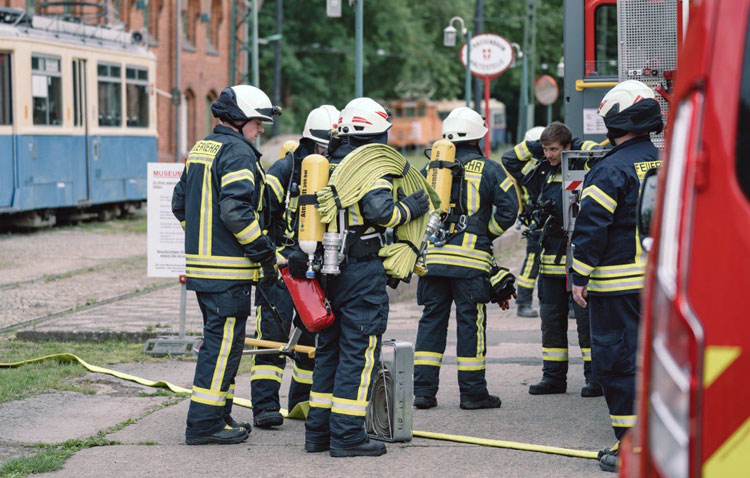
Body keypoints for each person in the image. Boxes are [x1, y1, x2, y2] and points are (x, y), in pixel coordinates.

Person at [301, 97, 430, 457]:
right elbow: (381, 212)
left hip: (330, 271)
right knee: (358, 355)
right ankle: (347, 437)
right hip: (359, 272)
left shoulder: (328, 163)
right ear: (376, 135)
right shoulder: (372, 168)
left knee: (329, 352)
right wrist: (413, 208)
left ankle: (318, 433)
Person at [172, 85, 280, 445]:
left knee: (220, 346)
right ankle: (204, 425)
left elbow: (179, 205)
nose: (261, 129)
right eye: (258, 122)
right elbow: (236, 212)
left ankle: (219, 413)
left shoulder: (204, 147)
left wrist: (203, 241)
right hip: (227, 274)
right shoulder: (237, 153)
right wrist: (262, 250)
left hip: (204, 272)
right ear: (240, 120)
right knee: (221, 350)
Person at [569, 80, 663, 473]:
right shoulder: (665, 160)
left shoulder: (609, 170)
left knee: (618, 366)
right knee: (656, 364)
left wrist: (579, 274)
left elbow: (591, 227)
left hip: (617, 289)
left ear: (614, 120)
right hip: (661, 285)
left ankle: (631, 449)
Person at [412, 106, 519, 411]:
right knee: (470, 323)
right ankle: (473, 393)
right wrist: (486, 234)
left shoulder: (430, 170)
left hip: (432, 261)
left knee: (431, 322)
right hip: (470, 264)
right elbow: (509, 209)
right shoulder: (491, 169)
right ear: (477, 139)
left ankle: (423, 392)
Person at [250, 105, 339, 429]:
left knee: (312, 338)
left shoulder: (334, 172)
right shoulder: (283, 171)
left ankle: (301, 401)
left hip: (314, 273)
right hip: (278, 269)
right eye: (323, 148)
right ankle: (265, 407)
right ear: (309, 142)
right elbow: (259, 216)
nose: (327, 154)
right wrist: (272, 255)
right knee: (271, 339)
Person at [502, 122, 603, 397]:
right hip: (549, 262)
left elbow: (602, 151)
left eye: (554, 149)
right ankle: (554, 377)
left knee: (586, 324)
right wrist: (538, 146)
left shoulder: (585, 169)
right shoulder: (541, 171)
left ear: (567, 147)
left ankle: (595, 378)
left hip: (578, 262)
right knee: (551, 323)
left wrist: (574, 147)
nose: (548, 154)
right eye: (545, 149)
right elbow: (509, 159)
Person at [515, 126, 545, 318]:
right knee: (533, 261)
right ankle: (523, 302)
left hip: (540, 221)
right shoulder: (529, 169)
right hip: (536, 222)